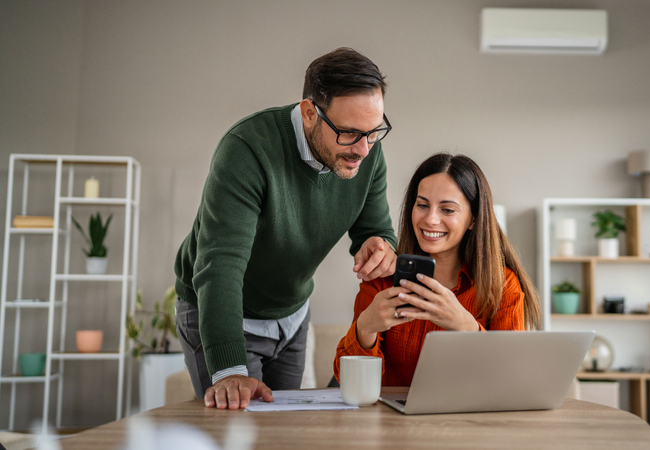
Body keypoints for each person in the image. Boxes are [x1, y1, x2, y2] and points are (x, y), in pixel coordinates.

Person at [174, 48, 398, 410]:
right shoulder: (247, 149)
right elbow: (221, 264)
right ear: (310, 113)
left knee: (286, 432)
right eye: (350, 133)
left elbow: (376, 227)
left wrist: (380, 244)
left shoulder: (367, 151)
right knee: (235, 429)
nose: (363, 148)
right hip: (222, 307)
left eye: (374, 132)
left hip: (291, 315)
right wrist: (229, 370)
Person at [334, 153, 541, 386]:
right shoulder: (383, 279)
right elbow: (351, 386)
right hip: (390, 421)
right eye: (422, 205)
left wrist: (466, 326)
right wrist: (366, 327)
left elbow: (513, 381)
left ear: (473, 219)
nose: (430, 219)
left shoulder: (502, 285)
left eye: (447, 210)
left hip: (466, 420)